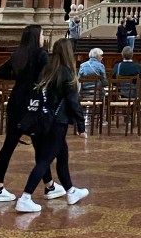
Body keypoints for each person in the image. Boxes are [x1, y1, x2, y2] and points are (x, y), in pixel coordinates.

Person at [0, 24, 65, 202]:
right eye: (42, 34)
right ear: (36, 36)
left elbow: (0, 72)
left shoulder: (18, 54)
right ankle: (49, 187)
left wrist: (20, 77)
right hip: (32, 103)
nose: (44, 37)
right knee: (39, 145)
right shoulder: (41, 55)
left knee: (9, 145)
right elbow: (47, 77)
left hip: (16, 102)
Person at [15, 39, 88, 213]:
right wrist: (81, 125)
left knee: (62, 156)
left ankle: (71, 191)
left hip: (40, 120)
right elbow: (73, 102)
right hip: (56, 122)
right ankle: (25, 197)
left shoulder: (45, 70)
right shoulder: (66, 73)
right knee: (44, 160)